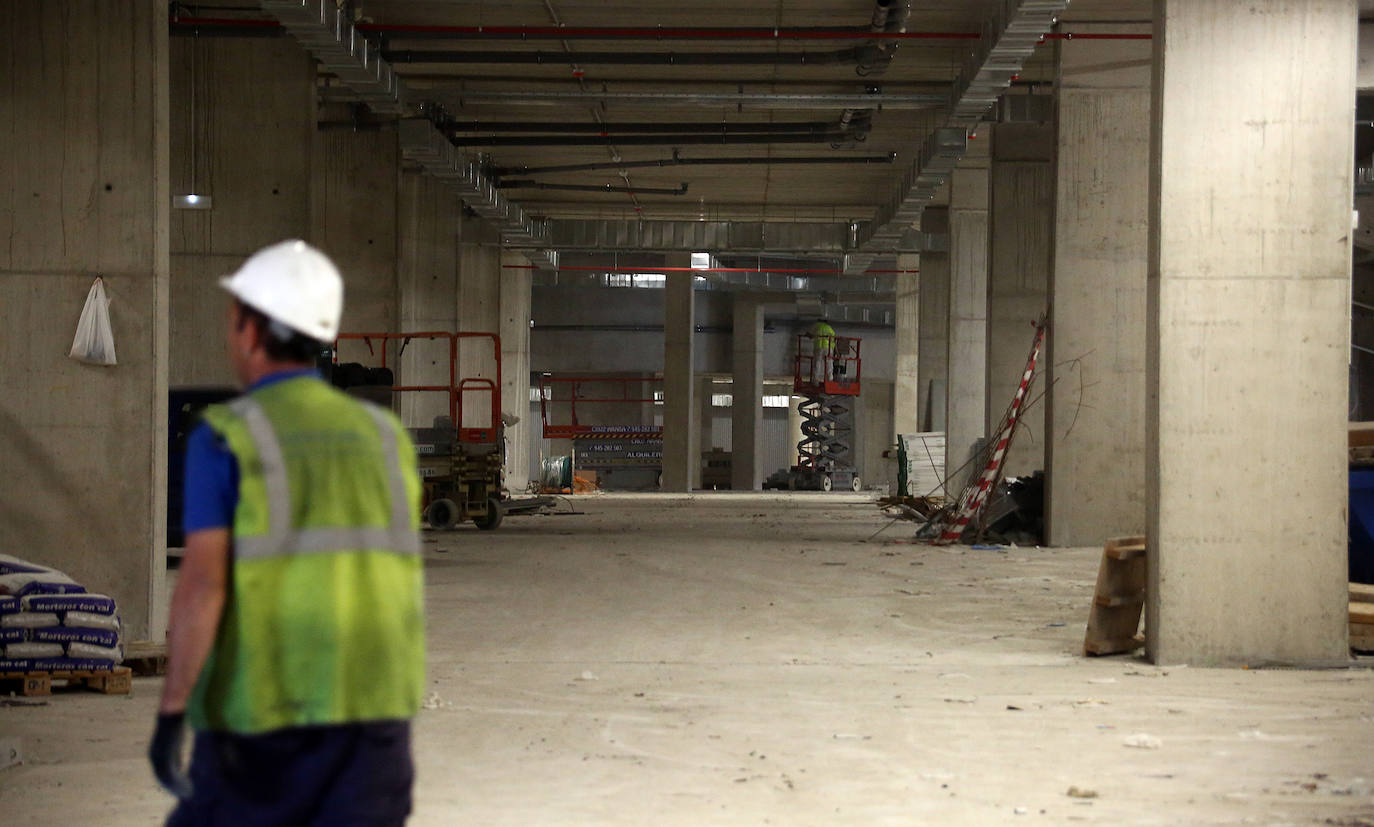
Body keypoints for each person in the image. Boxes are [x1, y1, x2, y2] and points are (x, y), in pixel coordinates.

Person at [149, 240, 426, 826]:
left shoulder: (226, 436)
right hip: (377, 715)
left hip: (265, 719)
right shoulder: (385, 437)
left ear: (249, 331)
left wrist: (174, 709)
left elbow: (202, 588)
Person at [809, 319, 836, 384]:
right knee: (829, 363)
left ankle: (815, 380)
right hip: (828, 348)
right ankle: (830, 379)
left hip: (819, 347)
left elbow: (810, 335)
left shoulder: (817, 325)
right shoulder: (829, 328)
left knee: (817, 363)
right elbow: (833, 338)